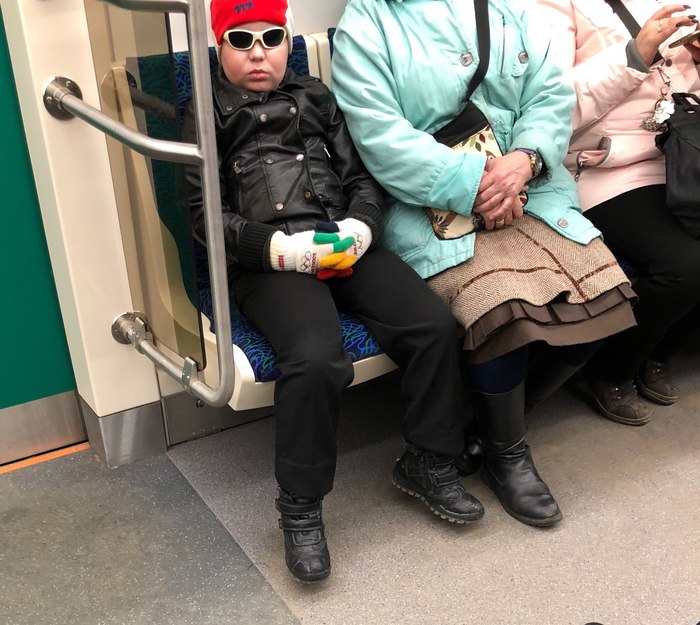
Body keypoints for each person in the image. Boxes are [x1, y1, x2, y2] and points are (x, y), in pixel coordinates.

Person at [182, 0, 486, 584]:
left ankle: (427, 459)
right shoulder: (205, 111)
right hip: (268, 260)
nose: (257, 54)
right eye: (240, 40)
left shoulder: (316, 96)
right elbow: (204, 215)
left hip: (341, 241)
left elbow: (358, 177)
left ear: (287, 42)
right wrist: (276, 250)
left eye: (271, 39)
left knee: (434, 327)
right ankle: (300, 507)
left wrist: (362, 225)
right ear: (219, 47)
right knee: (318, 359)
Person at [331, 0, 637, 527]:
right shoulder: (367, 23)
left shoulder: (506, 10)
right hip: (429, 200)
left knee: (603, 302)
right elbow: (381, 137)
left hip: (530, 186)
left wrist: (526, 160)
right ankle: (508, 453)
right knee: (502, 312)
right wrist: (475, 184)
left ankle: (486, 431)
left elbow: (549, 95)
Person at [535, 0, 700, 425]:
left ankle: (660, 351)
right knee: (685, 264)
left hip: (685, 154)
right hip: (609, 167)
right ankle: (610, 369)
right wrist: (635, 54)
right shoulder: (552, 8)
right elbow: (551, 109)